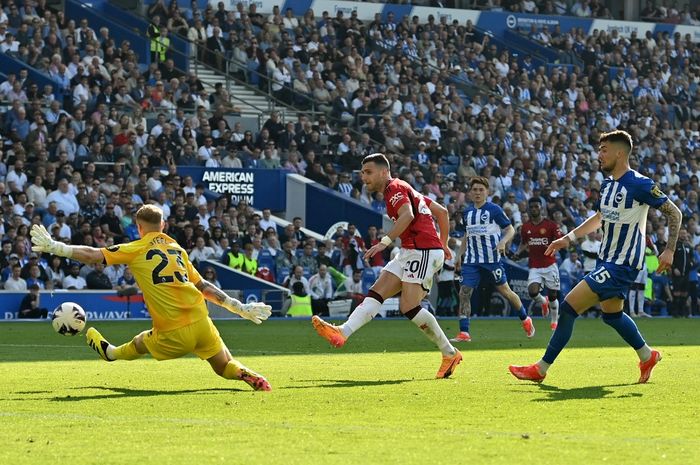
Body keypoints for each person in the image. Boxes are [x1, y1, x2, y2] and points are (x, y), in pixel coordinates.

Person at [30, 205, 273, 391]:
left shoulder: (137, 248)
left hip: (173, 331)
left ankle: (111, 353)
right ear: (163, 225)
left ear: (139, 227)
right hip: (201, 321)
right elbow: (203, 285)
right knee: (223, 366)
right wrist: (238, 307)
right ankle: (247, 374)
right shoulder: (177, 249)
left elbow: (95, 255)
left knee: (141, 341)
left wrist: (57, 247)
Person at [509, 130, 682, 384]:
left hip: (622, 263)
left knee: (567, 307)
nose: (598, 155)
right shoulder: (607, 185)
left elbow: (674, 213)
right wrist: (567, 238)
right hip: (607, 260)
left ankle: (541, 369)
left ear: (620, 153)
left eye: (604, 150)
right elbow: (599, 218)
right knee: (611, 315)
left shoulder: (640, 184)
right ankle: (647, 355)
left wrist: (669, 249)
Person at [311, 153, 462, 379]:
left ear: (384, 172)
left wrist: (385, 242)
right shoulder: (404, 187)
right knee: (376, 293)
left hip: (422, 251)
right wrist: (443, 244)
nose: (364, 178)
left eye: (369, 172)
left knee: (409, 306)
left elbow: (408, 215)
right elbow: (441, 211)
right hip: (413, 250)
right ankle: (343, 332)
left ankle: (450, 352)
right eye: (362, 173)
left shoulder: (394, 188)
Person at [452, 177, 535, 343]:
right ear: (470, 192)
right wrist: (459, 256)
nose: (477, 193)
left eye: (481, 190)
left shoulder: (494, 210)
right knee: (464, 292)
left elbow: (510, 229)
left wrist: (503, 242)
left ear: (487, 192)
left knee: (506, 292)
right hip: (471, 261)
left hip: (492, 260)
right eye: (474, 189)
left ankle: (525, 318)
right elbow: (467, 235)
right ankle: (464, 332)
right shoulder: (467, 213)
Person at [514, 197, 563, 330]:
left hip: (550, 264)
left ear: (541, 208)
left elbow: (560, 240)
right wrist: (518, 253)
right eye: (532, 207)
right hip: (534, 265)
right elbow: (524, 243)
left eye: (537, 206)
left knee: (553, 295)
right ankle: (543, 301)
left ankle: (554, 320)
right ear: (529, 209)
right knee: (532, 292)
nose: (534, 209)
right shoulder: (526, 227)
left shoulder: (551, 225)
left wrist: (555, 247)